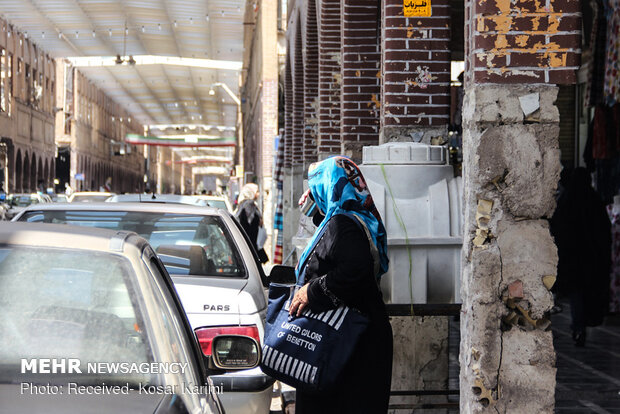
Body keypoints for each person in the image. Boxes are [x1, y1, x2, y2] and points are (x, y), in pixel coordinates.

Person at [289, 156, 392, 413]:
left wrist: (310, 292)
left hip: (349, 348)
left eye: (317, 187)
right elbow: (331, 253)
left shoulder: (343, 224)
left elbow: (354, 269)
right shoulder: (344, 220)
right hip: (347, 342)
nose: (312, 194)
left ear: (329, 186)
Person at [551, 167, 611, 346]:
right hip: (591, 259)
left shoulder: (567, 202)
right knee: (587, 292)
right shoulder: (594, 200)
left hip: (573, 259)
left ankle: (578, 327)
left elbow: (558, 228)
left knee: (576, 294)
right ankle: (584, 323)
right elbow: (603, 231)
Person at [235, 183, 268, 263]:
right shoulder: (249, 204)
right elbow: (251, 221)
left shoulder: (242, 204)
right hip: (251, 238)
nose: (258, 194)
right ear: (250, 192)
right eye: (256, 191)